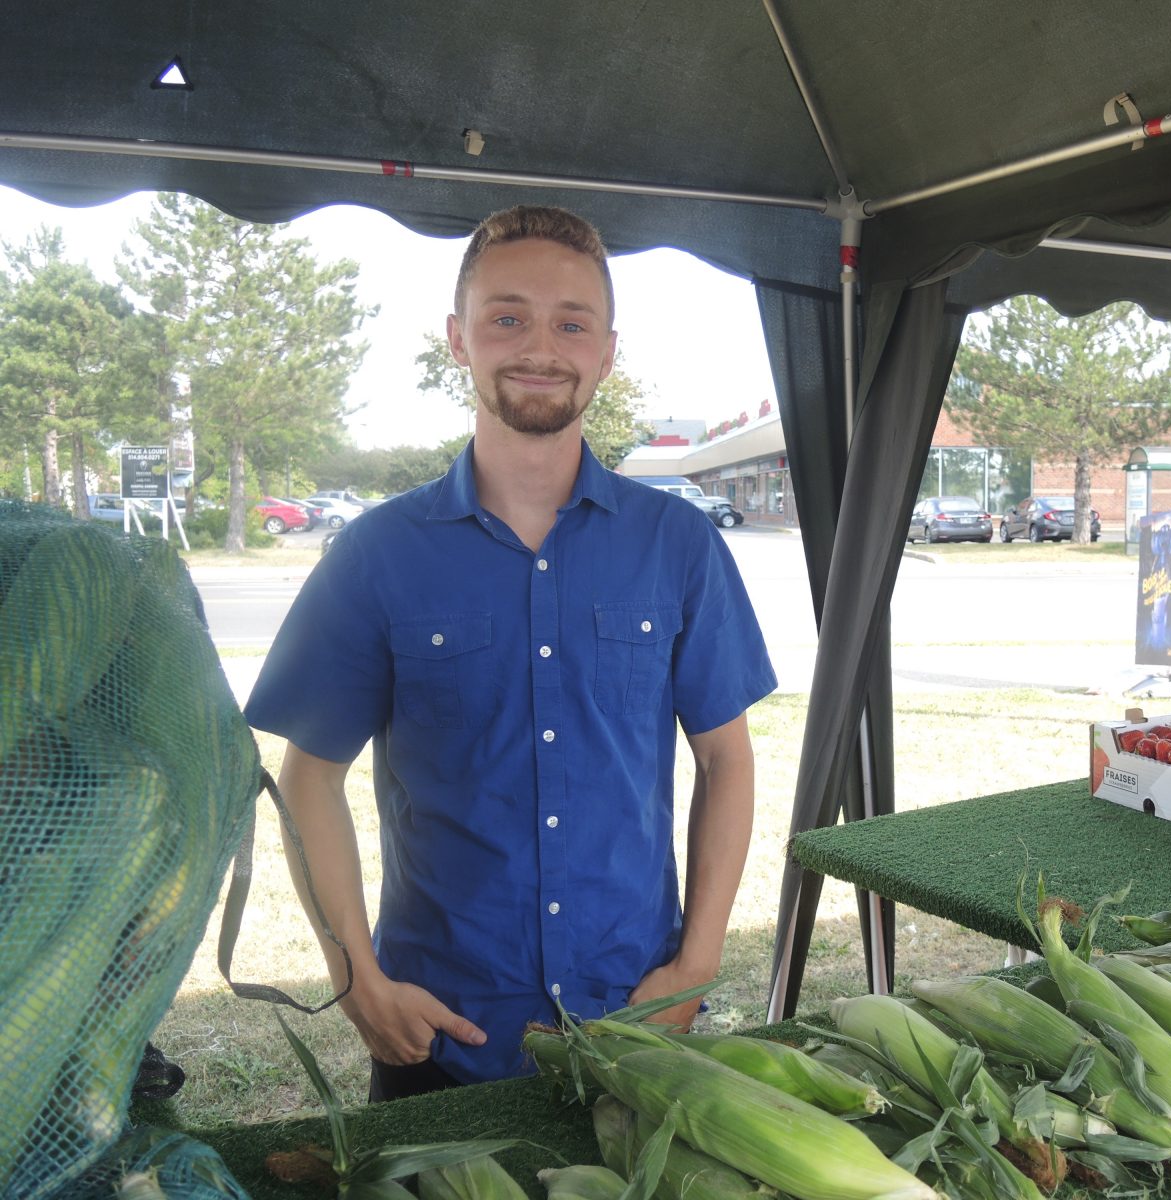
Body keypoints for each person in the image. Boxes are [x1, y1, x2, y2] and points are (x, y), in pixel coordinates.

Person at [245, 206, 777, 1100]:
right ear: (459, 339)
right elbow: (308, 777)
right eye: (507, 317)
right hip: (441, 1029)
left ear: (608, 350)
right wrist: (354, 980)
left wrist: (697, 965)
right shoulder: (377, 554)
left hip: (635, 1017)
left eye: (572, 322)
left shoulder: (678, 545)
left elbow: (726, 760)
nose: (541, 346)